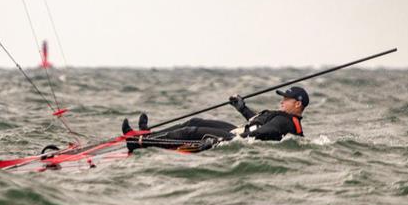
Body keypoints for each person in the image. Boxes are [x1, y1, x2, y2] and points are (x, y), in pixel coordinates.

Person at [122, 86, 309, 151]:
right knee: (195, 122)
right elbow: (258, 123)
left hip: (235, 138)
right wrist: (243, 108)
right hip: (238, 131)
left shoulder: (286, 122)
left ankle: (139, 143)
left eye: (286, 99)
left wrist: (221, 141)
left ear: (298, 104)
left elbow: (263, 132)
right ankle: (147, 134)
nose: (282, 101)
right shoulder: (283, 117)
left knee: (191, 132)